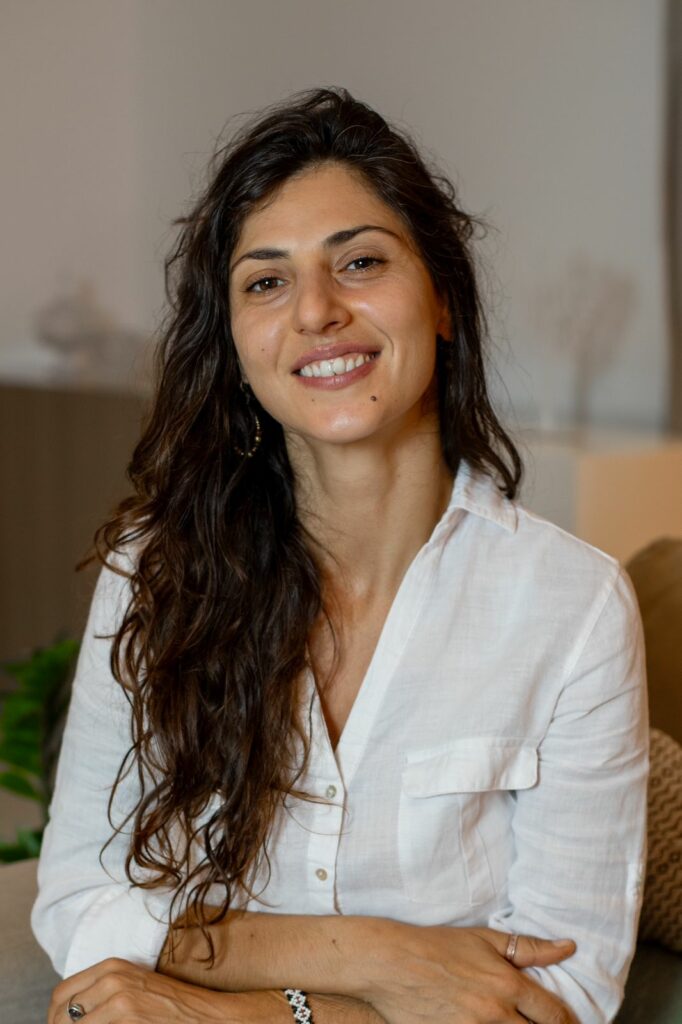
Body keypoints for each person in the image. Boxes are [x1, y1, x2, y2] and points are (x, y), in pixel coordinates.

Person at [32, 86, 648, 1024]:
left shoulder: (575, 606)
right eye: (266, 282)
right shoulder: (153, 569)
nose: (317, 311)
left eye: (359, 262)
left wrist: (236, 1013)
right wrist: (386, 959)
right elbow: (81, 897)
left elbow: (563, 993)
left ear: (442, 301)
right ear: (234, 342)